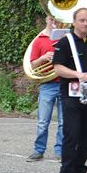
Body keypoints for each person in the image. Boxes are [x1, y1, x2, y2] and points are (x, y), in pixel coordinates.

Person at [53, 8, 87, 173]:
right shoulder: (65, 43)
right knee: (72, 136)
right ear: (74, 22)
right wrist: (78, 75)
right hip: (71, 96)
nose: (86, 23)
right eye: (82, 20)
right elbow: (57, 68)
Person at [26, 15, 63, 161]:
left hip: (64, 83)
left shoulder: (65, 38)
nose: (54, 21)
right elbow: (33, 65)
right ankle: (38, 150)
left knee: (63, 122)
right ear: (46, 19)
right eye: (51, 19)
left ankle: (60, 151)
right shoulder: (39, 40)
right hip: (47, 84)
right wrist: (43, 58)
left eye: (57, 19)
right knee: (43, 121)